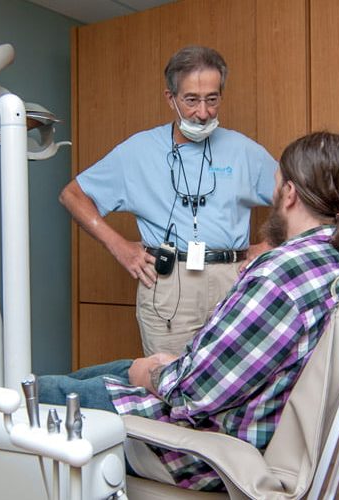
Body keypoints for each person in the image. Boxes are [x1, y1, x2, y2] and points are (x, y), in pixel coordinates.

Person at [0, 131, 339, 492]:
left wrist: (152, 372)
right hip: (224, 405)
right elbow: (75, 193)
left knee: (19, 405)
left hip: (197, 436)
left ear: (288, 193)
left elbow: (194, 393)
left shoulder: (279, 277)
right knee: (60, 381)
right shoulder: (335, 271)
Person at [59, 45, 278, 356]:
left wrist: (268, 246)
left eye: (212, 100)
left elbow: (299, 201)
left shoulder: (244, 150)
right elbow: (72, 195)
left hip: (232, 278)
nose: (203, 113)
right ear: (170, 98)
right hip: (170, 282)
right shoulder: (138, 151)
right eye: (191, 100)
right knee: (170, 385)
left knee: (236, 382)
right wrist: (118, 245)